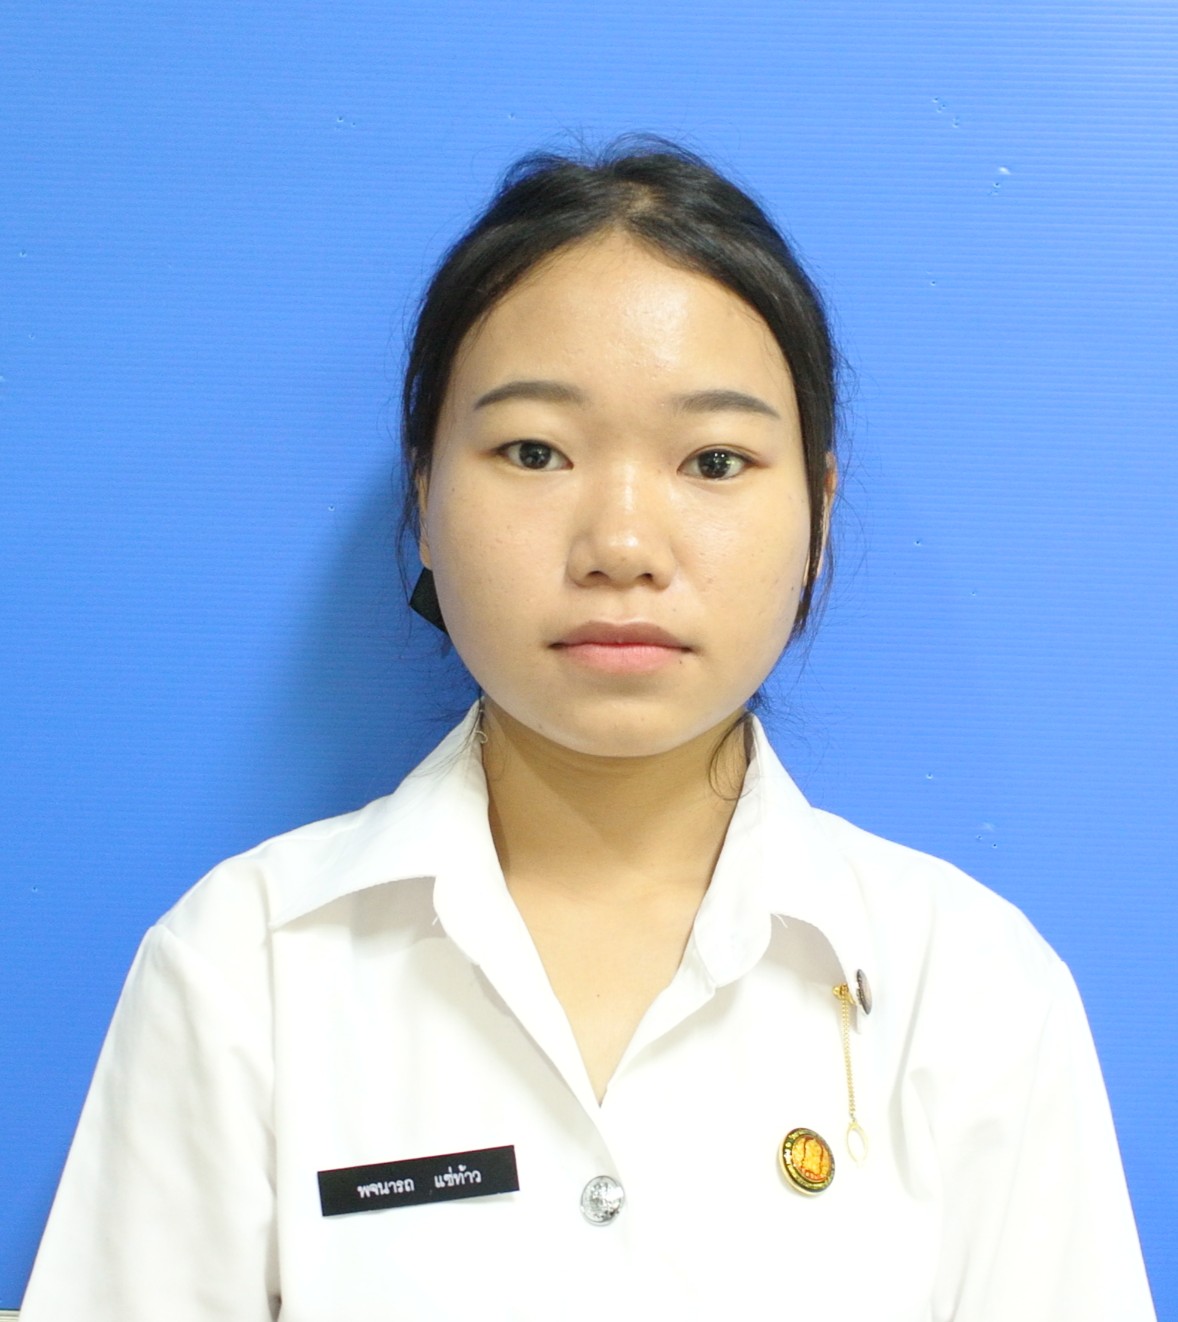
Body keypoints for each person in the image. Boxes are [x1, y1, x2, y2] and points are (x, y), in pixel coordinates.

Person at [21, 140, 1155, 1321]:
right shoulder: (245, 968)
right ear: (425, 495)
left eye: (712, 460)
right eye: (534, 451)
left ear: (817, 514)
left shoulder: (968, 990)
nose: (620, 543)